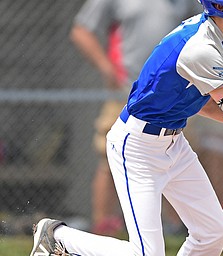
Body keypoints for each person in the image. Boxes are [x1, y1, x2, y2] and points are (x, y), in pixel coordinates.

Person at [30, 0, 223, 255]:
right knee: (146, 253)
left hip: (173, 144)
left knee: (214, 232)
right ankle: (57, 237)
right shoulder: (201, 49)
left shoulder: (220, 38)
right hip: (137, 148)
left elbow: (204, 105)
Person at [70, 0, 201, 235]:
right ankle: (104, 227)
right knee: (110, 158)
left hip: (172, 95)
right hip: (127, 92)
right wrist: (106, 66)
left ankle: (176, 228)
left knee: (175, 158)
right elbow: (81, 30)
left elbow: (204, 27)